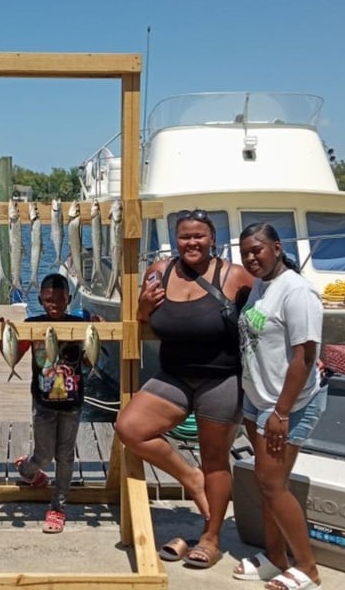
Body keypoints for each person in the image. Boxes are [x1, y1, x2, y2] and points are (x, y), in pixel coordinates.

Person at [115, 209, 252, 568]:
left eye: (199, 236)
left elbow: (267, 318)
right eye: (185, 237)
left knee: (215, 460)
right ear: (176, 240)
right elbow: (146, 318)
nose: (192, 243)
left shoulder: (234, 275)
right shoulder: (158, 272)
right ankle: (191, 479)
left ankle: (211, 536)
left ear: (213, 240)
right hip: (174, 376)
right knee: (129, 427)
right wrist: (142, 308)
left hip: (222, 379)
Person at [233, 223, 325, 590]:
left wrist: (281, 412)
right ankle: (275, 558)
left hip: (288, 405)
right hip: (259, 402)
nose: (252, 259)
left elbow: (305, 355)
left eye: (257, 250)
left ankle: (308, 567)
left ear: (276, 247)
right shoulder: (261, 285)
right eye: (245, 254)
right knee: (268, 482)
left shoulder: (297, 291)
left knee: (271, 484)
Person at [7, 273, 87, 534]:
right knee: (44, 456)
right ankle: (27, 468)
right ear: (41, 300)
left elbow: (87, 360)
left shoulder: (79, 324)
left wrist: (97, 329)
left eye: (61, 299)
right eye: (49, 299)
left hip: (72, 403)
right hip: (43, 402)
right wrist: (1, 334)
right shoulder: (32, 324)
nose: (55, 304)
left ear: (69, 299)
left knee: (65, 457)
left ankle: (58, 506)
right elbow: (15, 354)